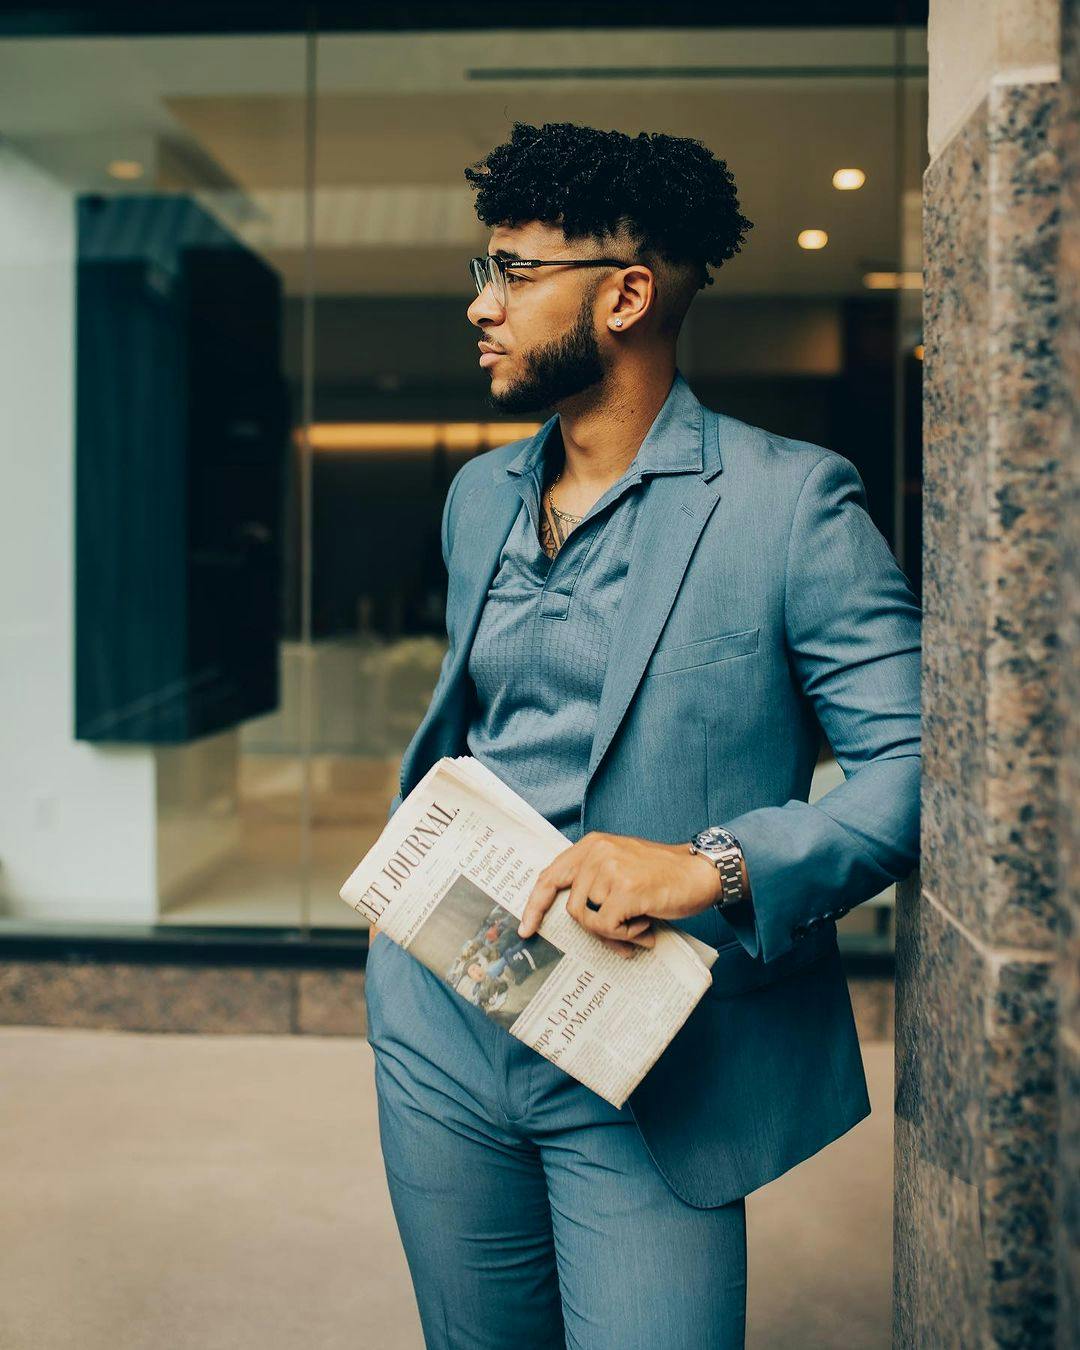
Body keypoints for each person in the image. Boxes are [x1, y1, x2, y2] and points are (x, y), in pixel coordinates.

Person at [363, 120, 921, 1350]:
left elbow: (921, 770)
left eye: (513, 271)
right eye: (483, 268)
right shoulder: (476, 498)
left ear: (624, 294)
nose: (481, 304)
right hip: (445, 1011)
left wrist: (711, 865)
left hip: (650, 1050)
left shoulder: (792, 505)